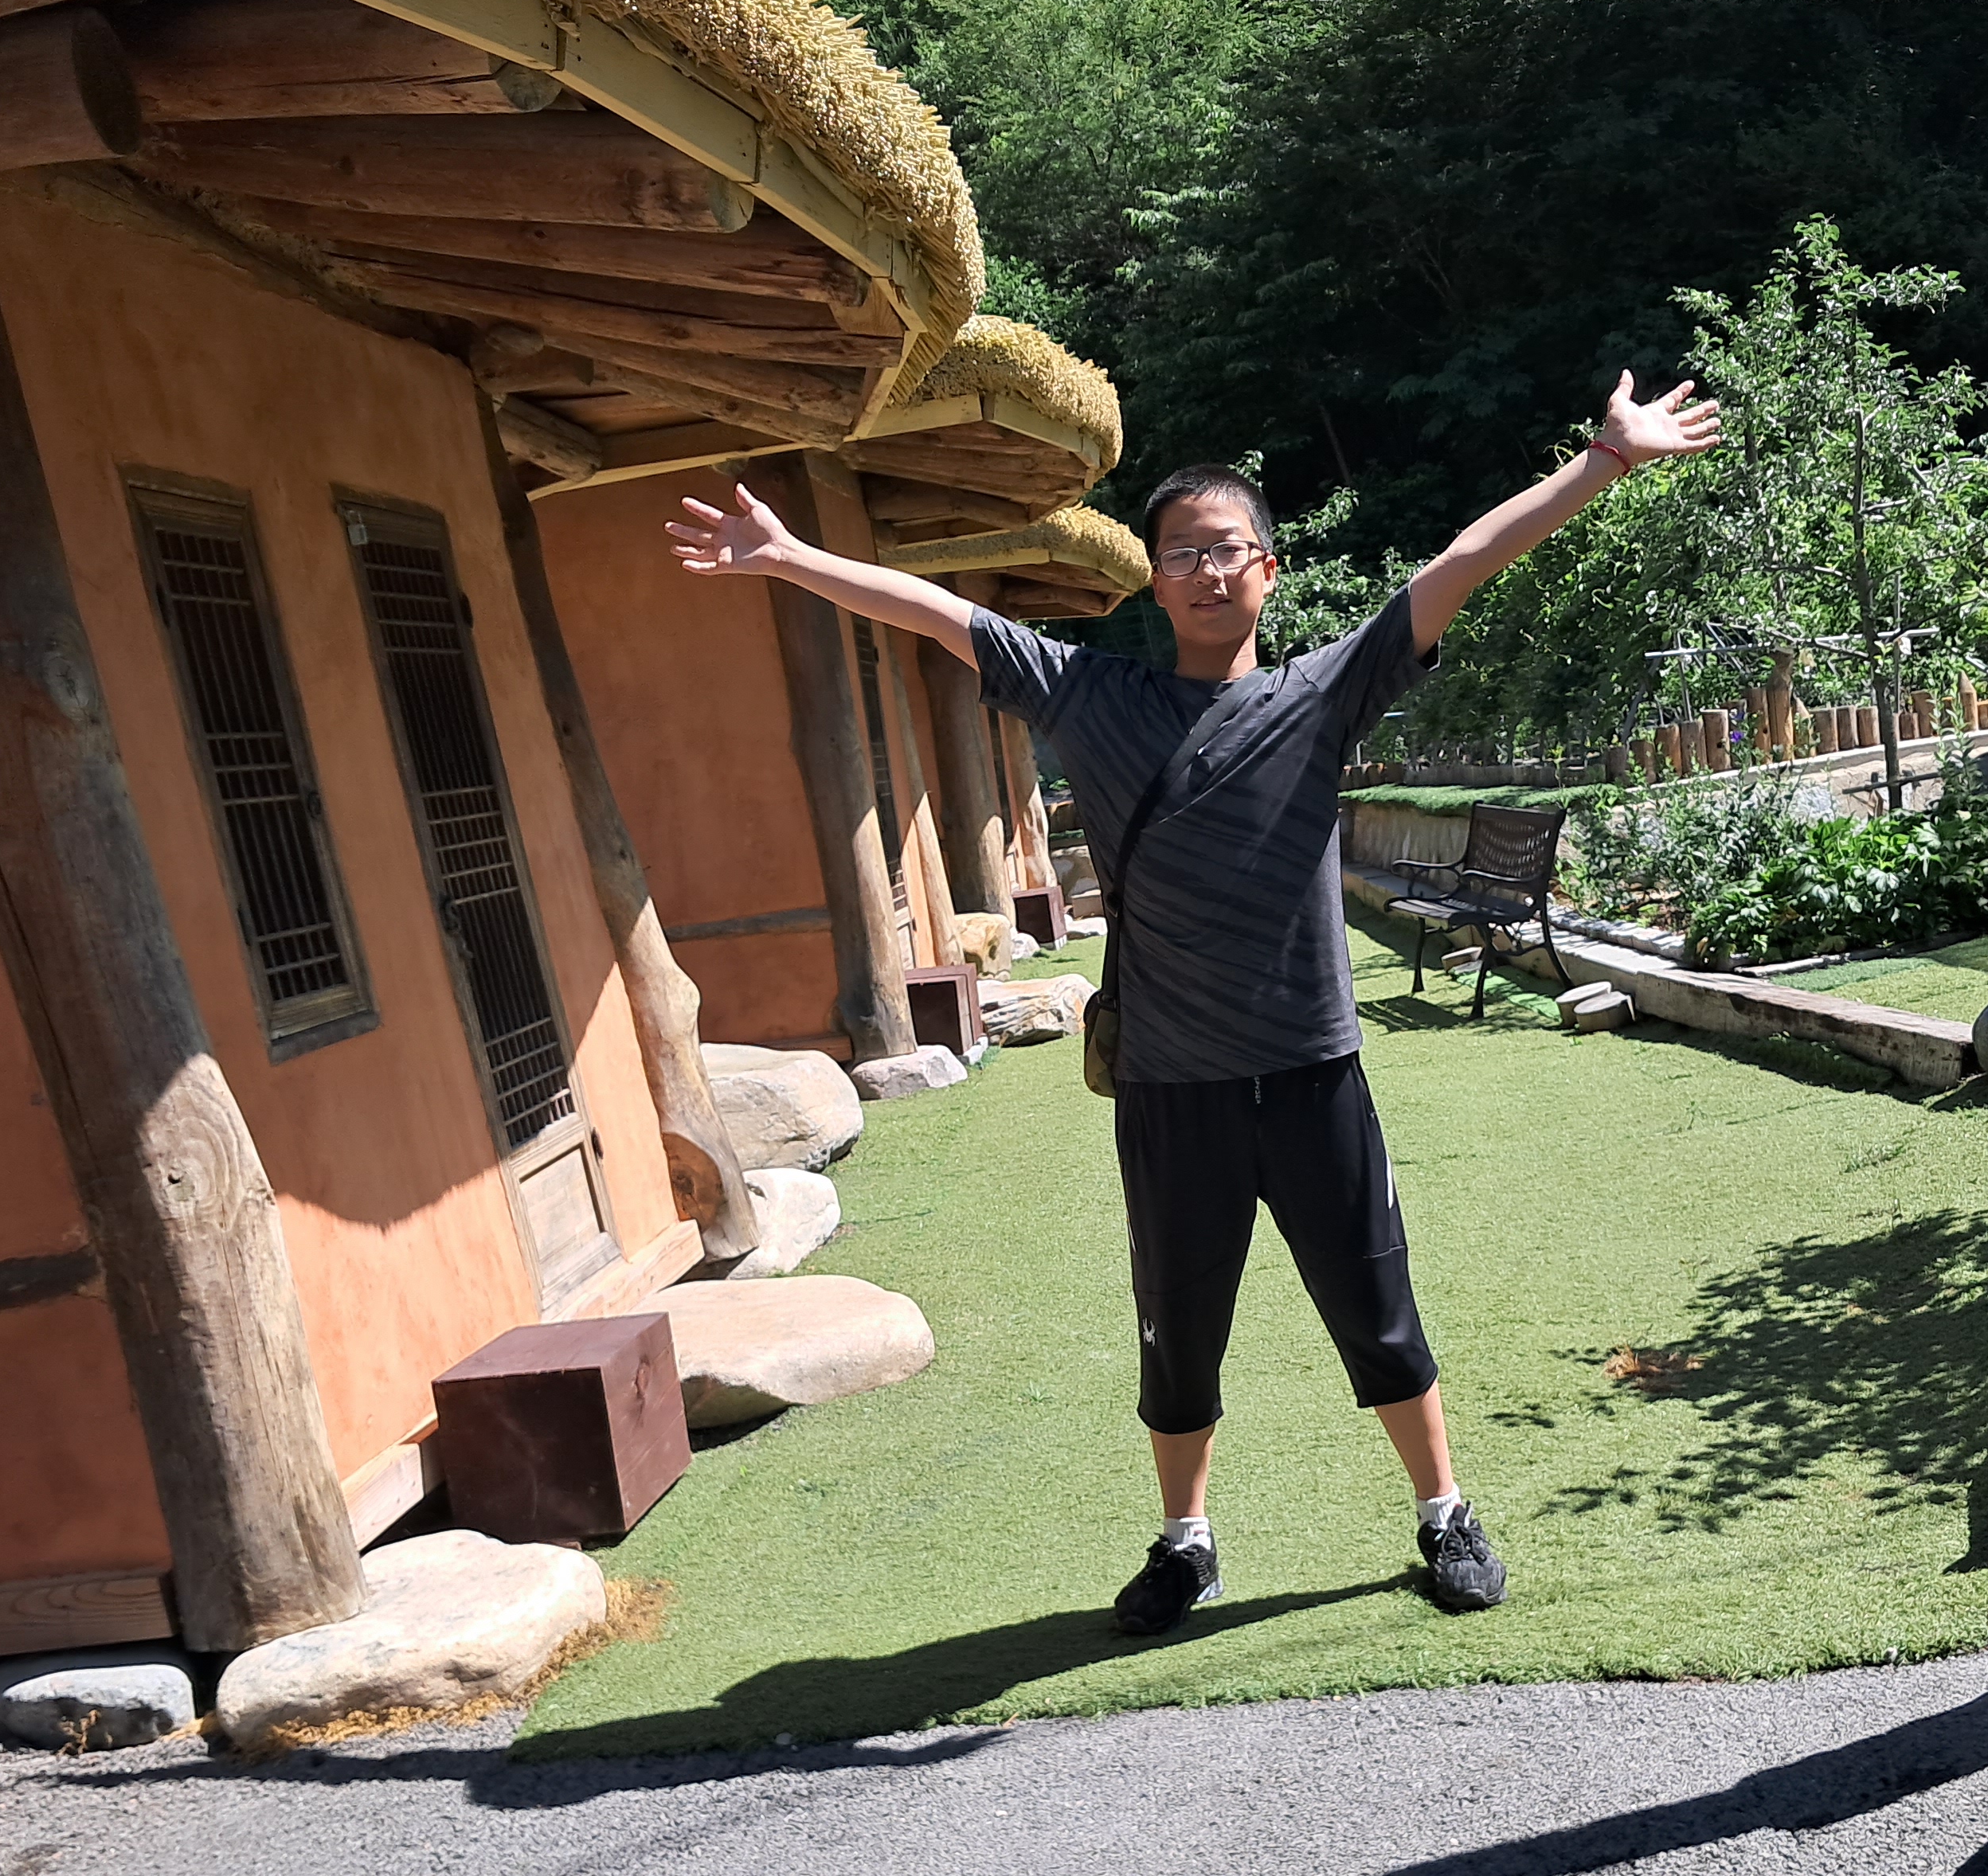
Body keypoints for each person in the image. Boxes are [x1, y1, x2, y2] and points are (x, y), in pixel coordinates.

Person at [667, 371, 1725, 1632]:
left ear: (1268, 569)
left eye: (1228, 550)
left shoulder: (1322, 693)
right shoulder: (1093, 697)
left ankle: (1444, 1512)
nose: (1208, 571)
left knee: (1377, 1309)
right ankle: (1188, 1544)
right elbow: (943, 614)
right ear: (1156, 583)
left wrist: (1605, 460)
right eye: (1182, 554)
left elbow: (1458, 564)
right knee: (1177, 1332)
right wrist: (789, 558)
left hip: (1315, 1076)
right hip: (1172, 1095)